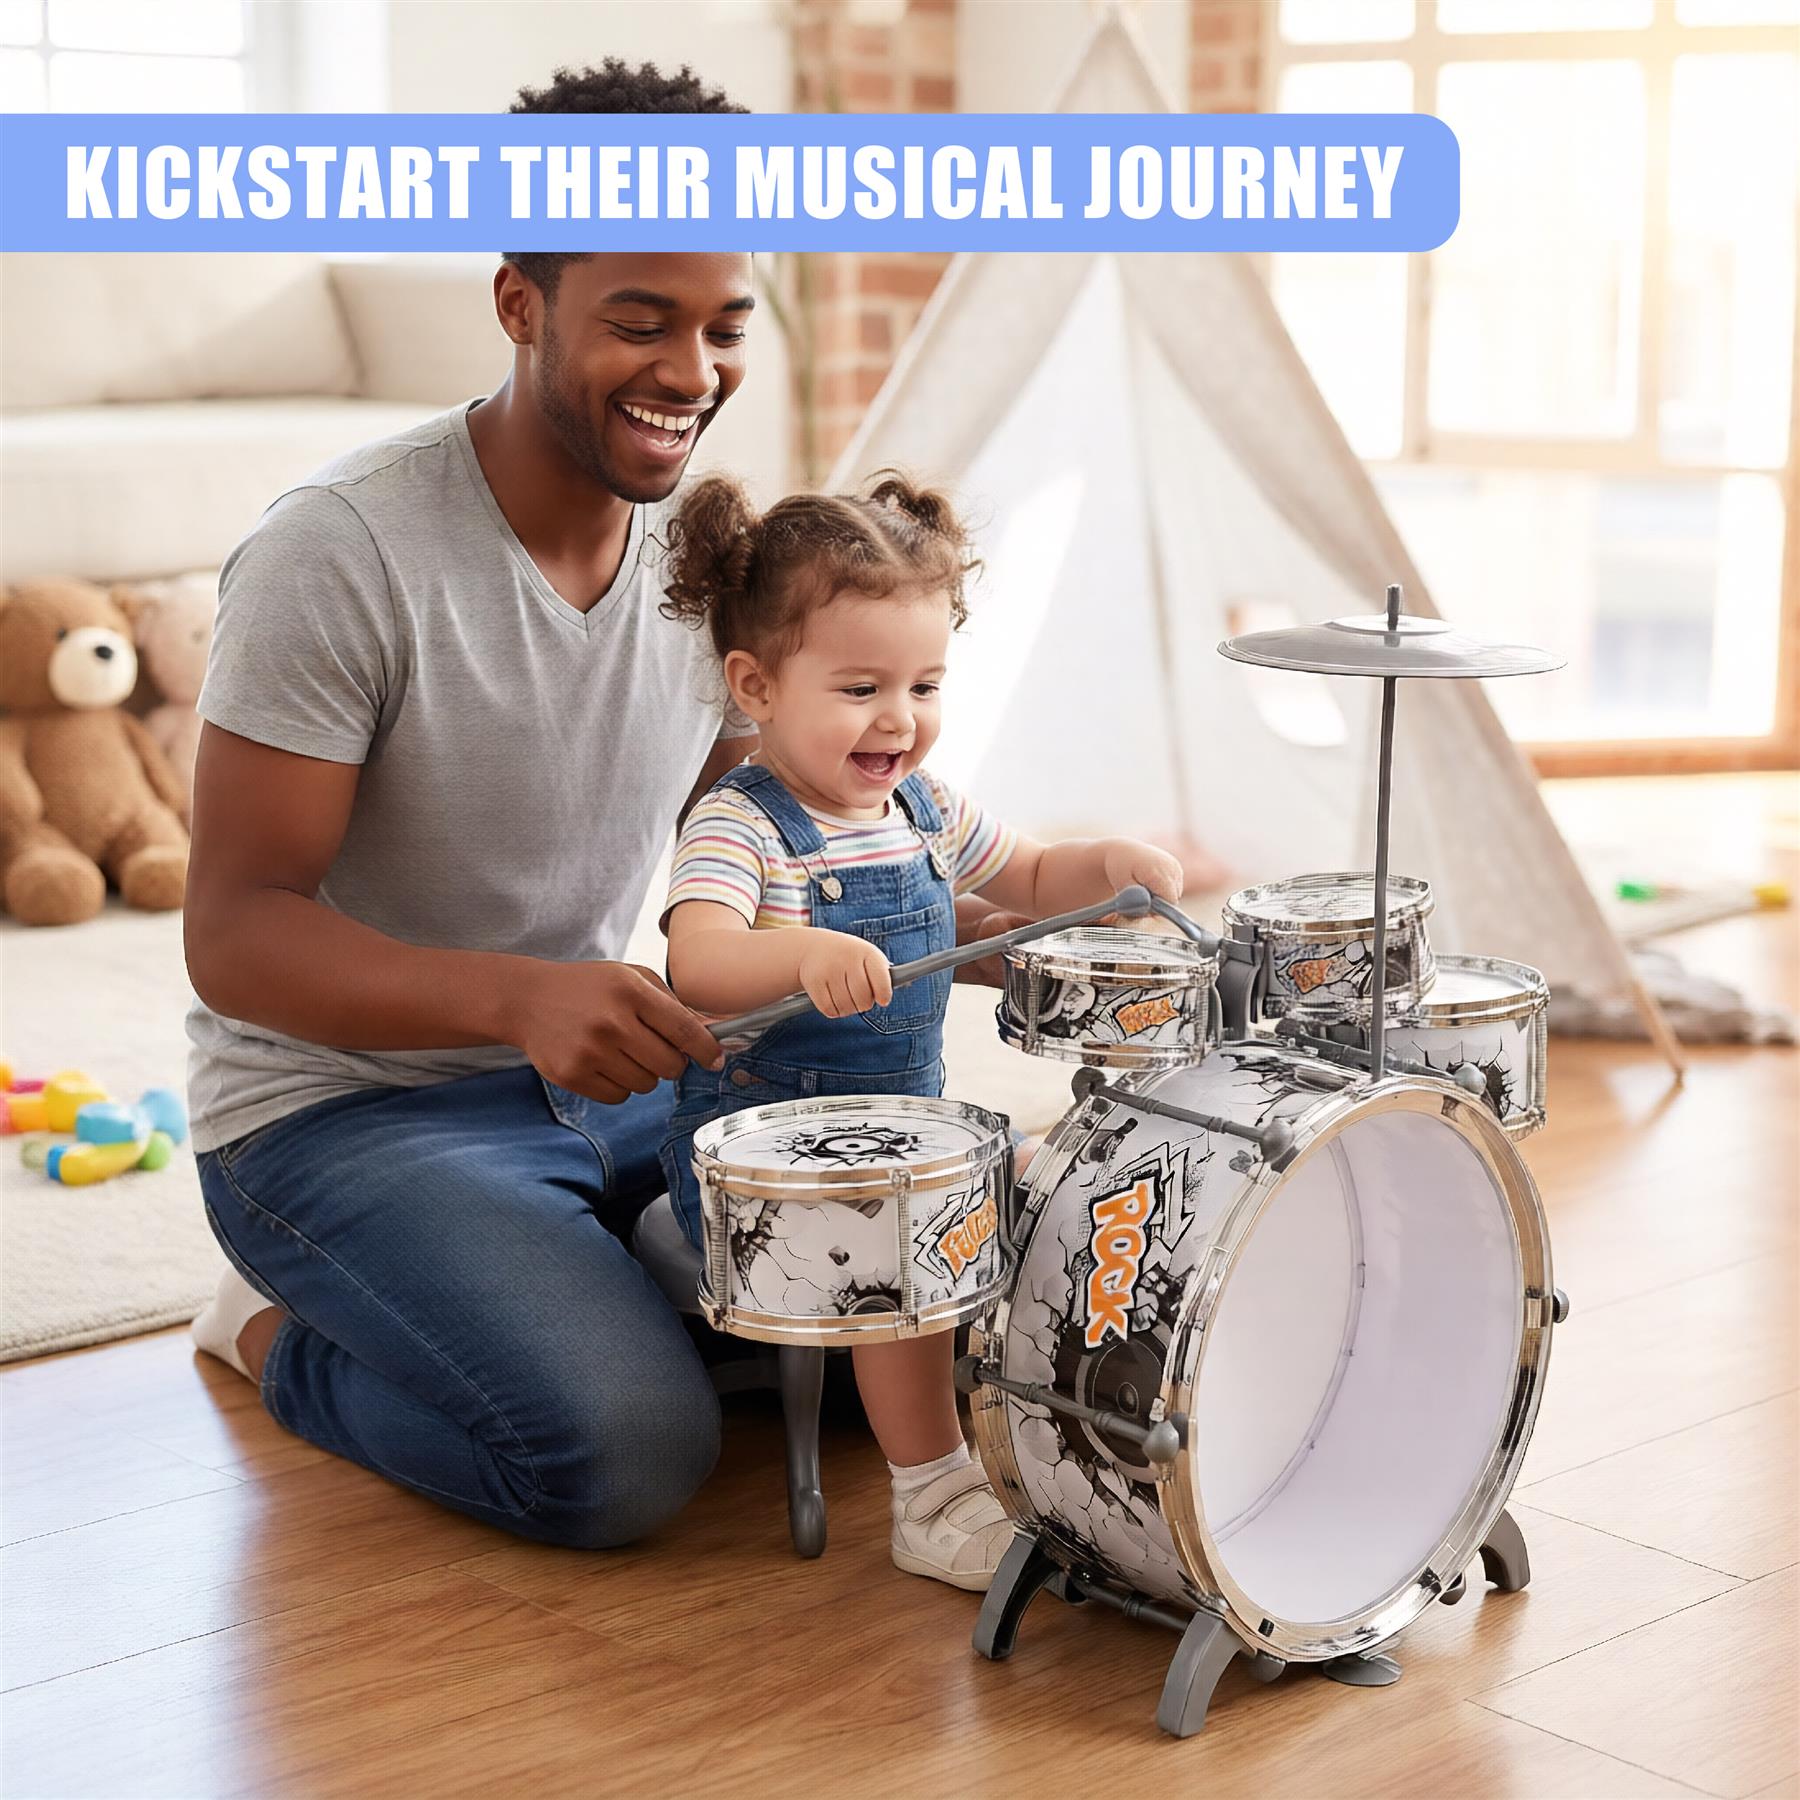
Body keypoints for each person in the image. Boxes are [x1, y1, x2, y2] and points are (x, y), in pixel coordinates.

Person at [186, 60, 821, 1549]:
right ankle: (274, 1333)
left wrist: (985, 894)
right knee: (623, 1456)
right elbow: (235, 933)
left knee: (907, 1318)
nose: (693, 372)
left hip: (610, 1080)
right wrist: (522, 1003)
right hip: (341, 1116)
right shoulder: (338, 554)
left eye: (725, 325)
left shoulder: (711, 552)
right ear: (520, 302)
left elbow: (744, 831)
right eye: (641, 321)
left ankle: (572, 1281)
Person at [655, 472, 1185, 1589]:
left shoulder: (923, 804)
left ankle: (1080, 1428)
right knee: (907, 1220)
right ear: (754, 686)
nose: (899, 718)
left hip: (911, 1121)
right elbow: (697, 960)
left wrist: (1112, 866)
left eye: (925, 683)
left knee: (1073, 1184)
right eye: (860, 687)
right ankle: (930, 1492)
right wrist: (800, 954)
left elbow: (1033, 871)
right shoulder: (743, 823)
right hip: (774, 1150)